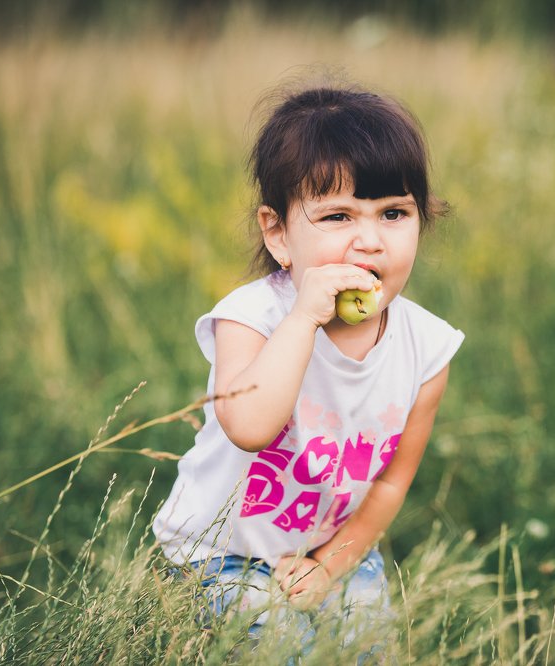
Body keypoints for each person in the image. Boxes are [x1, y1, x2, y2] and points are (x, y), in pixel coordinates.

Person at [152, 82, 464, 653]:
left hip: (329, 543)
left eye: (393, 213)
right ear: (278, 233)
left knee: (368, 646)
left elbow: (392, 479)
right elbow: (248, 427)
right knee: (278, 646)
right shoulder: (252, 318)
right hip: (221, 551)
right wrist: (303, 320)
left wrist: (330, 564)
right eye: (337, 216)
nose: (369, 241)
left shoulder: (427, 347)